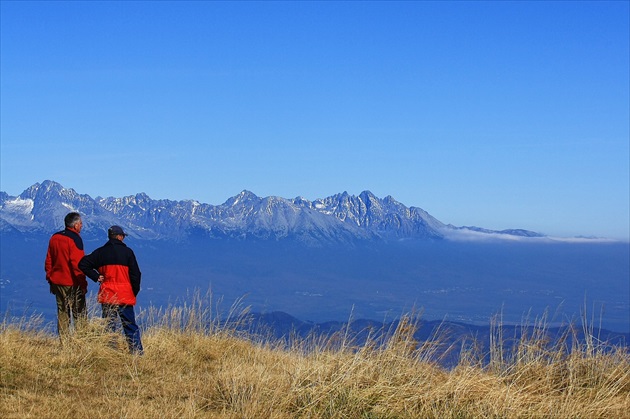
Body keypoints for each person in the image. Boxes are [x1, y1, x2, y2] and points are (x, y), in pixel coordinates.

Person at [79, 225, 144, 354]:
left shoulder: (100, 252)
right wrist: (133, 292)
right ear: (119, 237)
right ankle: (136, 352)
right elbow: (136, 275)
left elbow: (82, 264)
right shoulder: (128, 252)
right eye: (123, 236)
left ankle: (110, 352)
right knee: (130, 325)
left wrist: (96, 276)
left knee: (109, 325)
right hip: (125, 294)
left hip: (108, 294)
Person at [45, 212, 88, 338]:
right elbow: (78, 264)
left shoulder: (54, 237)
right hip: (72, 283)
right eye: (80, 224)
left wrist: (50, 278)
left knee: (63, 313)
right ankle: (81, 342)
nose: (81, 226)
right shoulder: (75, 239)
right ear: (75, 226)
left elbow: (49, 260)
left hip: (57, 282)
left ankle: (65, 343)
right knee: (79, 313)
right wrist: (83, 283)